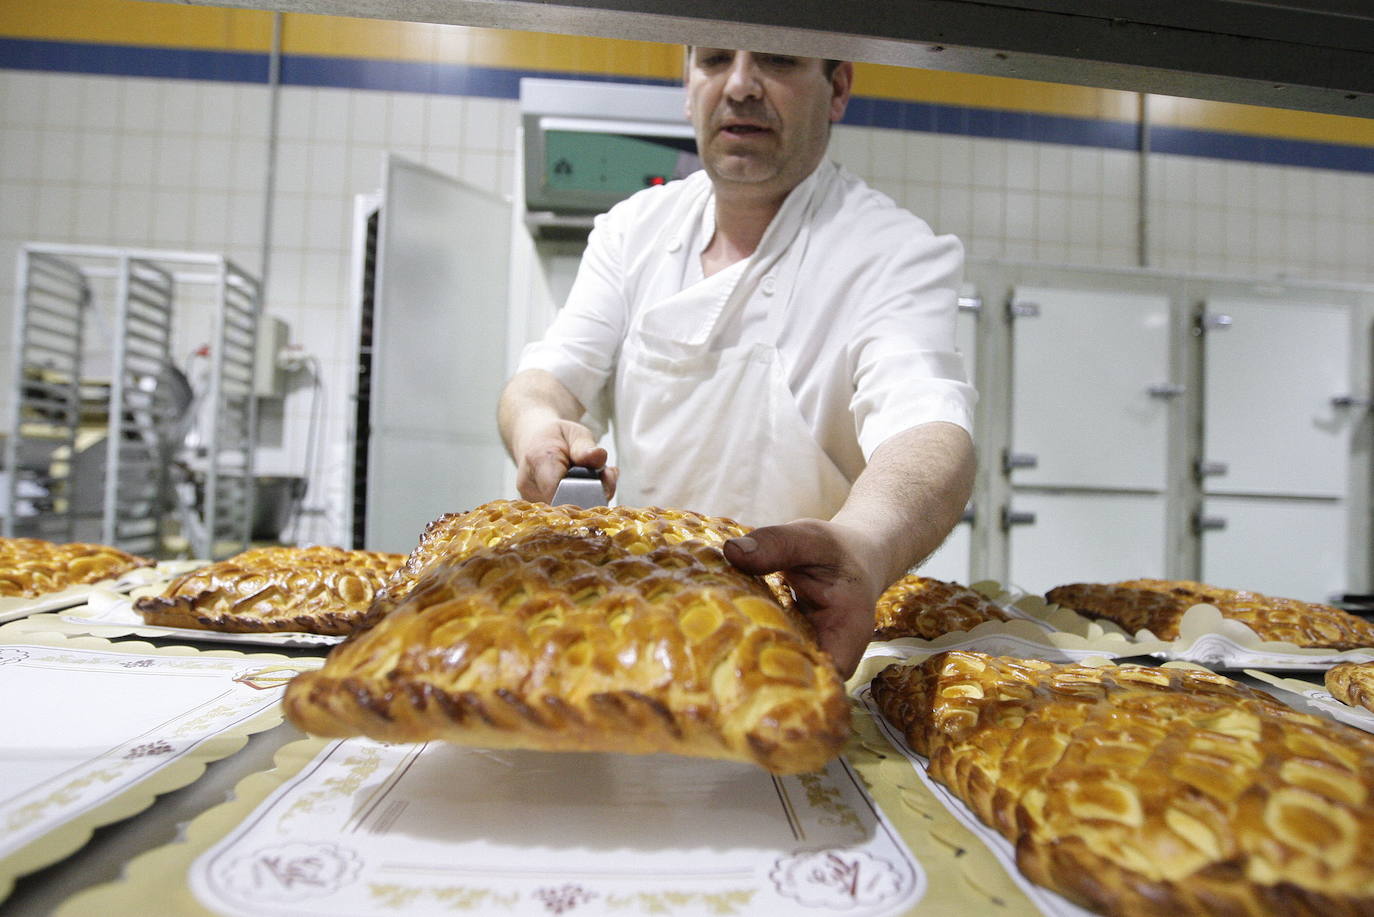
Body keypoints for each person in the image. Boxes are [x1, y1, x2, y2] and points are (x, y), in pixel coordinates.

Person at [498, 48, 976, 678]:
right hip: (633, 634)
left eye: (776, 60)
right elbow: (548, 379)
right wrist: (535, 424)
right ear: (688, 84)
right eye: (716, 59)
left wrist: (865, 543)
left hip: (801, 644)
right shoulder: (633, 230)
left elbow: (930, 429)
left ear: (838, 88)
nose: (741, 85)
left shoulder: (891, 252)